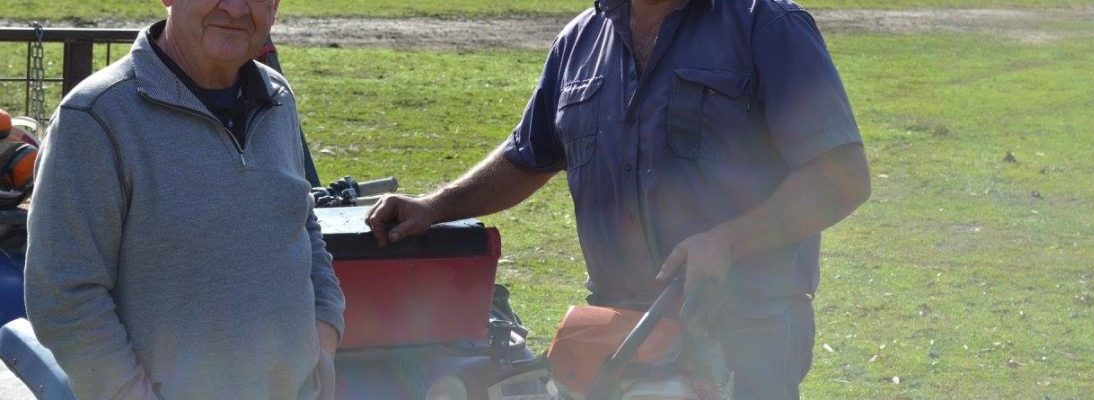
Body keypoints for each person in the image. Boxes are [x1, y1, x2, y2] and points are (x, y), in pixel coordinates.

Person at [369, 0, 870, 398]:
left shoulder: (768, 25)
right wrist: (436, 205)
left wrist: (727, 242)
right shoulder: (580, 41)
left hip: (745, 328)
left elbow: (842, 177)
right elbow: (529, 156)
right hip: (616, 328)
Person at [23, 0, 345, 398]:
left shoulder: (277, 98)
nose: (236, 8)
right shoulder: (95, 118)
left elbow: (302, 222)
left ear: (275, 7)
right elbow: (65, 297)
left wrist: (324, 335)